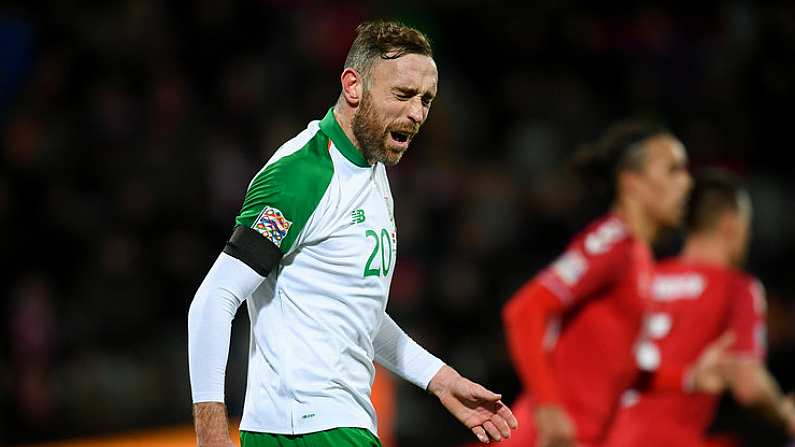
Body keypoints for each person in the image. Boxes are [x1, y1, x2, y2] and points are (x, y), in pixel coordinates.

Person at [187, 20, 517, 447]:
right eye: (402, 95)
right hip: (304, 428)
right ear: (353, 86)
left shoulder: (372, 172)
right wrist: (211, 435)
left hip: (334, 423)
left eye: (426, 100)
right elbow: (213, 300)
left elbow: (356, 313)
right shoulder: (302, 175)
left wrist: (440, 378)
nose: (417, 114)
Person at [500, 120, 726, 447]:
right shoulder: (612, 242)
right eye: (673, 170)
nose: (687, 183)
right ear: (632, 182)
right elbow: (524, 311)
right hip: (548, 437)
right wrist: (548, 409)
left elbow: (620, 369)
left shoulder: (641, 260)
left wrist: (690, 378)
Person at [603, 169, 795, 447]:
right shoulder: (736, 287)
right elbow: (747, 384)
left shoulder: (647, 278)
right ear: (731, 225)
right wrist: (784, 413)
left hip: (609, 436)